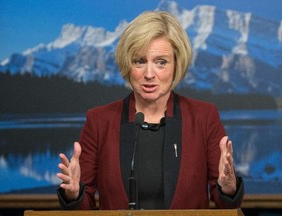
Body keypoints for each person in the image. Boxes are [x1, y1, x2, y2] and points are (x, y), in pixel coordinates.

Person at [57, 11, 244, 210]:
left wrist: (228, 188)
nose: (149, 74)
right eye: (139, 61)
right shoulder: (99, 121)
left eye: (161, 62)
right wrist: (75, 194)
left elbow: (224, 201)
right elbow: (84, 204)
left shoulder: (203, 117)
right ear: (127, 65)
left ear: (176, 64)